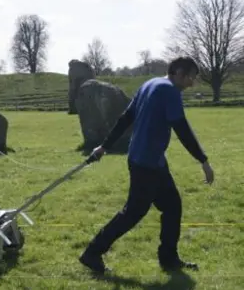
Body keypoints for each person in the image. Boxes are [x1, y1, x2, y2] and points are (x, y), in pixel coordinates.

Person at [79, 56, 215, 275]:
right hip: (146, 162)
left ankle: (169, 259)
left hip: (148, 159)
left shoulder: (150, 84)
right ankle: (93, 252)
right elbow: (182, 129)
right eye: (191, 77)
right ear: (179, 73)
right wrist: (204, 161)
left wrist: (105, 146)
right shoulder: (169, 91)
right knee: (133, 212)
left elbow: (125, 118)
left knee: (172, 206)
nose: (192, 83)